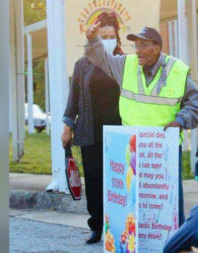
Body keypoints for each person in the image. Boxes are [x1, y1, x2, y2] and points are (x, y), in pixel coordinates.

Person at [85, 25, 198, 225]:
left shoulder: (178, 70)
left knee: (169, 203)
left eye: (143, 45)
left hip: (163, 151)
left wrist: (180, 121)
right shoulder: (126, 65)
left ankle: (176, 243)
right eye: (135, 45)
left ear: (157, 47)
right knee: (132, 201)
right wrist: (92, 39)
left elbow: (195, 107)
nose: (137, 50)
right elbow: (100, 58)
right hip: (131, 148)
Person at [61, 11, 123, 244]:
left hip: (118, 132)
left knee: (118, 180)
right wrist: (67, 125)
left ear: (118, 38)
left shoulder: (123, 61)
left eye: (111, 35)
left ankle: (116, 225)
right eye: (102, 35)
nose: (107, 39)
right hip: (90, 130)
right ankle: (96, 225)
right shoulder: (82, 65)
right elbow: (73, 100)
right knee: (95, 180)